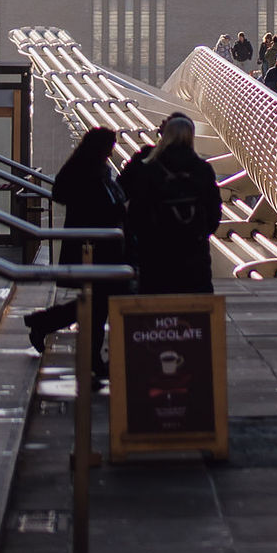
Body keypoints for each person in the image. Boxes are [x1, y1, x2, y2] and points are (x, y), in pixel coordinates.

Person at [25, 127, 130, 367]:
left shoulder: (97, 169)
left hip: (102, 246)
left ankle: (47, 324)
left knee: (97, 302)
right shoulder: (88, 171)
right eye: (109, 146)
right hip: (93, 247)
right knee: (98, 302)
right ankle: (88, 355)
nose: (111, 151)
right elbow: (67, 195)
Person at [117, 111, 225, 293]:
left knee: (156, 303)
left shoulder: (148, 164)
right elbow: (214, 210)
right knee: (195, 306)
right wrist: (200, 233)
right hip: (193, 249)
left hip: (153, 249)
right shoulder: (202, 169)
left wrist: (138, 235)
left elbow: (126, 196)